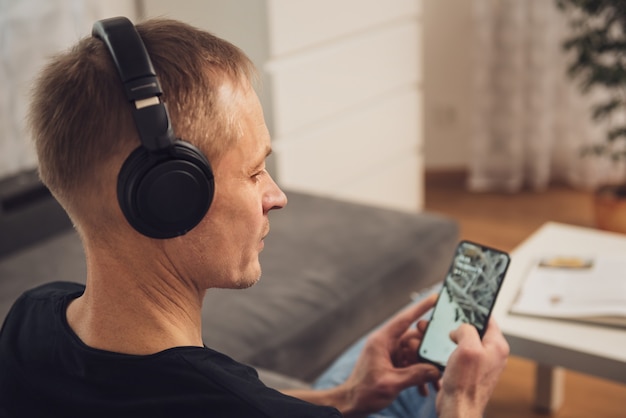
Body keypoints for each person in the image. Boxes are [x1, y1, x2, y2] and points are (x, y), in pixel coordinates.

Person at [0, 17, 509, 417]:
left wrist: (348, 398)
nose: (277, 196)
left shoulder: (30, 318)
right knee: (445, 329)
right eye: (254, 172)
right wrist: (463, 402)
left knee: (426, 312)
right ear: (170, 197)